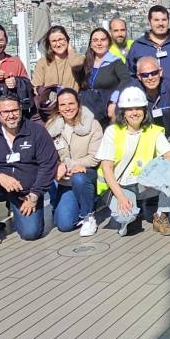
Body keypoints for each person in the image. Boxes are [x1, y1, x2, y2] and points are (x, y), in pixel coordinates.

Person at [0, 95, 58, 252]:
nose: (11, 115)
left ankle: (19, 213)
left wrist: (35, 195)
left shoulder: (37, 132)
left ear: (20, 110)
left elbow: (48, 165)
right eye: (5, 111)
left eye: (14, 110)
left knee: (31, 233)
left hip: (27, 191)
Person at [98, 86, 170, 236]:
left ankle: (160, 215)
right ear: (123, 112)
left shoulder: (153, 130)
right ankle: (131, 216)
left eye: (138, 108)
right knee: (127, 217)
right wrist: (121, 197)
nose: (135, 113)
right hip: (120, 186)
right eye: (130, 109)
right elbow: (106, 168)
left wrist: (154, 172)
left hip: (144, 184)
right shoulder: (112, 131)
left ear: (145, 110)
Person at [46, 88, 103, 236]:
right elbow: (47, 157)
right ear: (58, 107)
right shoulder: (51, 127)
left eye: (71, 103)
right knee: (64, 224)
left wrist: (69, 165)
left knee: (79, 178)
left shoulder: (93, 124)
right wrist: (58, 167)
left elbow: (95, 157)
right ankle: (79, 201)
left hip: (88, 174)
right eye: (63, 105)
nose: (67, 108)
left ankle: (88, 216)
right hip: (65, 179)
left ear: (78, 104)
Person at [111, 55, 170, 139]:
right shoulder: (129, 91)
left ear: (160, 72)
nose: (150, 78)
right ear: (139, 76)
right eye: (145, 75)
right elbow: (120, 119)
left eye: (154, 73)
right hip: (142, 135)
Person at [126, 5, 170, 93]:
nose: (160, 24)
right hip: (146, 99)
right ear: (150, 21)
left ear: (168, 21)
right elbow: (130, 74)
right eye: (156, 20)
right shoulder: (138, 46)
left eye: (164, 20)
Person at [73, 28, 130, 124]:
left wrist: (113, 101)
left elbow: (126, 80)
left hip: (106, 110)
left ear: (109, 43)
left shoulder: (116, 62)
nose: (99, 43)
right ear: (91, 44)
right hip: (87, 109)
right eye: (95, 40)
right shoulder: (86, 63)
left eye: (103, 40)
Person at [32, 25, 85, 93]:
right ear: (49, 44)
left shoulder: (79, 59)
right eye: (54, 41)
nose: (58, 44)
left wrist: (70, 49)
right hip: (51, 101)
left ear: (67, 40)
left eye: (60, 39)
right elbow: (36, 86)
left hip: (72, 101)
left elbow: (75, 64)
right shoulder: (43, 62)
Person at [0, 23, 29, 92]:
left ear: (6, 40)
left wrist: (16, 82)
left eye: (0, 40)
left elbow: (28, 85)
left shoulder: (16, 62)